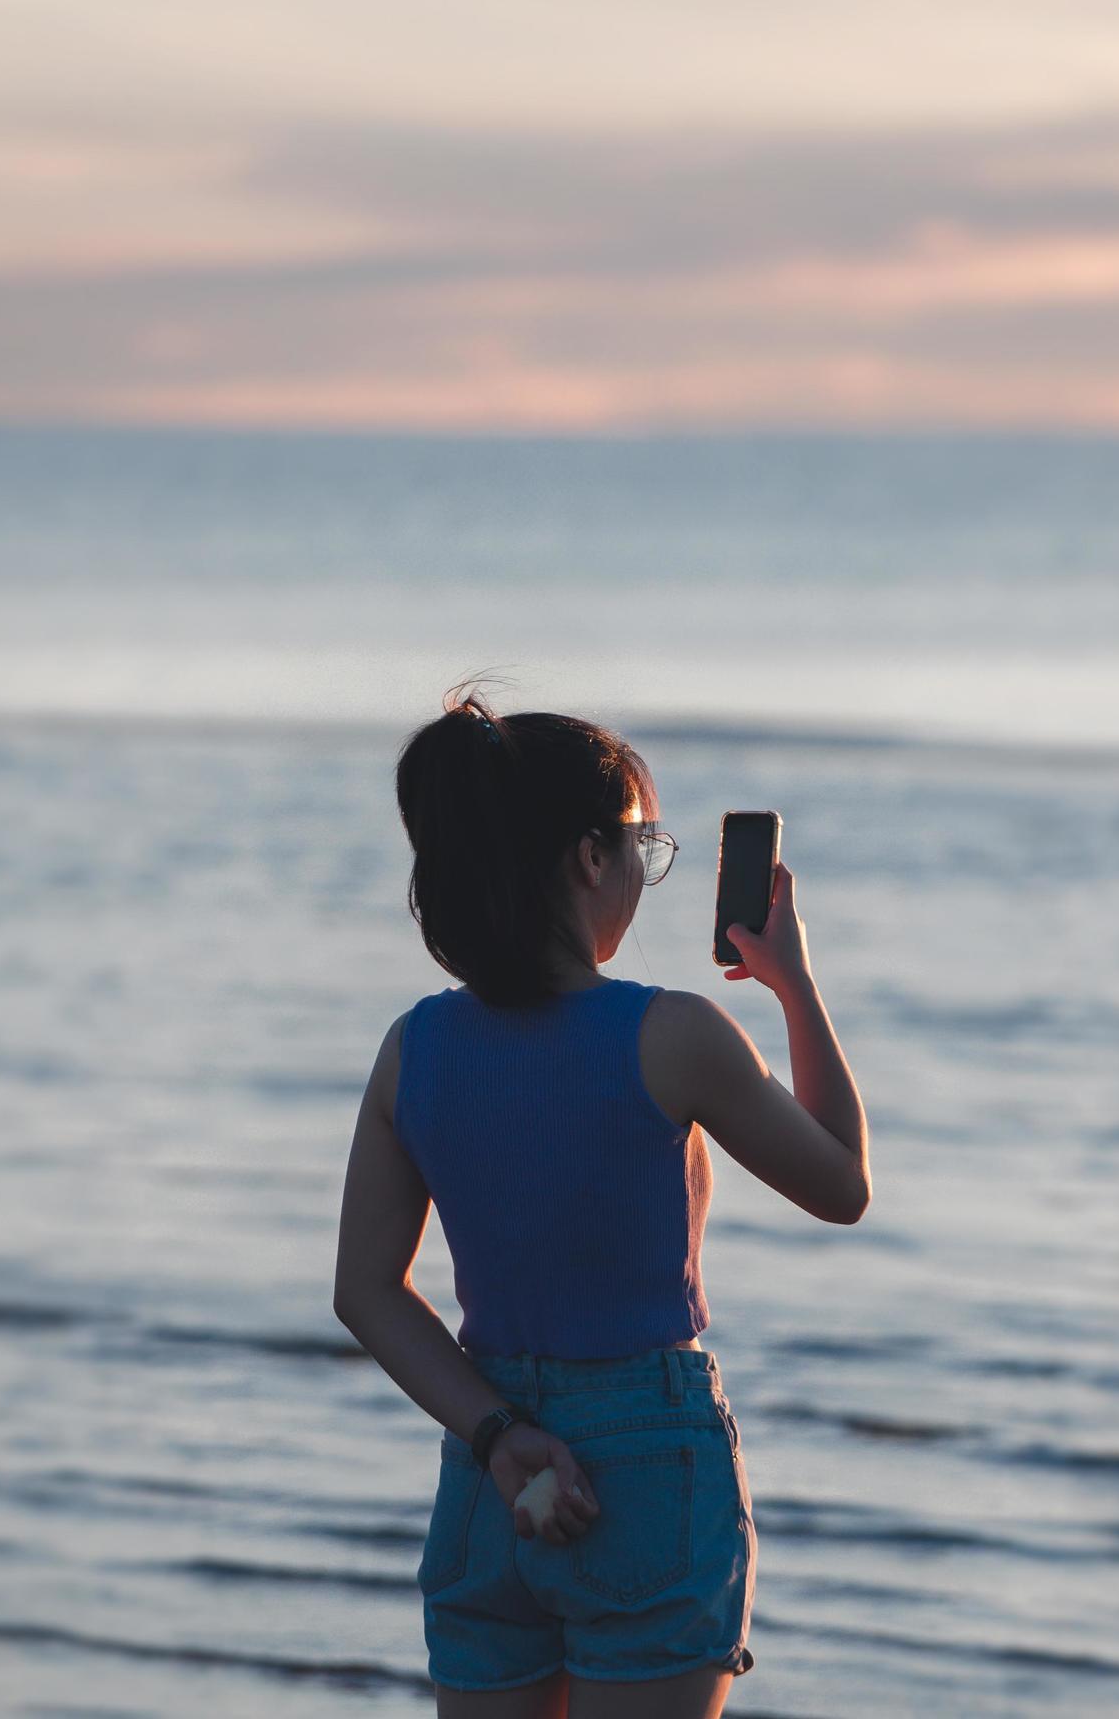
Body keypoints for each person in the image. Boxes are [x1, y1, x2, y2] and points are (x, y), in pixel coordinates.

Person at [334, 687, 874, 1718]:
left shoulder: (415, 1049)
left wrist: (496, 1434)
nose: (644, 868)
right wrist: (795, 984)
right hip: (646, 1475)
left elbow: (366, 1291)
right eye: (642, 844)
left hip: (492, 1474)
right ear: (589, 857)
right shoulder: (674, 1035)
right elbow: (842, 1182)